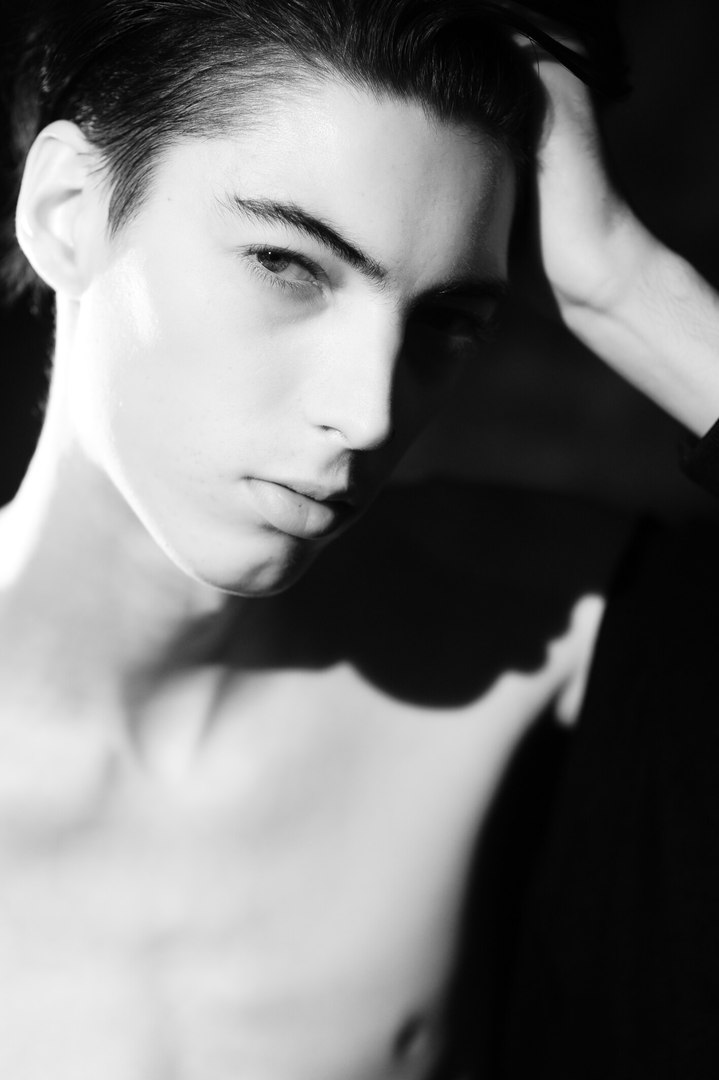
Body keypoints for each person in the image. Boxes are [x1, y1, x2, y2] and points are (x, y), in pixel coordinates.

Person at [1, 1, 718, 1077]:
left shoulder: (545, 632)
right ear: (67, 211)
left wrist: (622, 284)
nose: (370, 412)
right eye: (287, 264)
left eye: (444, 321)